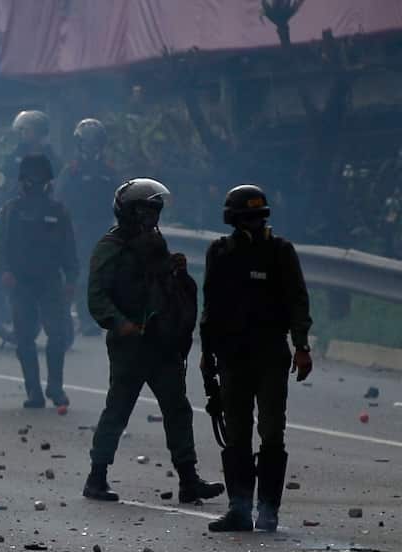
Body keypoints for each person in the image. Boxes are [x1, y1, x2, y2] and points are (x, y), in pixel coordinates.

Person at [83, 179, 224, 505]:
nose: (151, 217)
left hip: (161, 343)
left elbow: (167, 292)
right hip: (130, 345)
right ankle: (97, 476)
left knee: (177, 409)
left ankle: (189, 480)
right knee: (118, 409)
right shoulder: (112, 247)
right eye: (145, 210)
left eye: (154, 210)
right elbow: (97, 297)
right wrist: (122, 325)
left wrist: (177, 273)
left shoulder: (156, 244)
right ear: (130, 211)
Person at [202, 185, 313, 532]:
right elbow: (211, 306)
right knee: (235, 433)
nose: (252, 222)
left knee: (271, 432)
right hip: (232, 355)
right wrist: (207, 353)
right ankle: (239, 509)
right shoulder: (220, 253)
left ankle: (268, 510)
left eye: (257, 216)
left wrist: (301, 346)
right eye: (246, 217)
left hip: (270, 354)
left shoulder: (280, 252)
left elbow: (297, 300)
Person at [0, 153, 78, 409]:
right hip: (20, 283)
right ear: (23, 181)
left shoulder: (59, 212)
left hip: (50, 282)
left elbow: (69, 249)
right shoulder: (11, 211)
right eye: (31, 179)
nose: (36, 184)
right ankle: (34, 392)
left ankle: (55, 388)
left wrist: (71, 279)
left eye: (40, 179)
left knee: (57, 336)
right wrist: (3, 271)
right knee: (25, 338)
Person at [57, 119, 119, 337]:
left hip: (103, 227)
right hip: (78, 228)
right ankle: (83, 319)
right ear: (79, 144)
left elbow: (119, 198)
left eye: (96, 143)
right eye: (87, 143)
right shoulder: (72, 170)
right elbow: (60, 198)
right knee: (84, 272)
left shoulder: (109, 171)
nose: (91, 147)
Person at [1, 110, 59, 187]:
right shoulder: (14, 156)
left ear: (40, 131)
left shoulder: (51, 157)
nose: (23, 133)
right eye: (22, 130)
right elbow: (6, 178)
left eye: (27, 129)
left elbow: (57, 178)